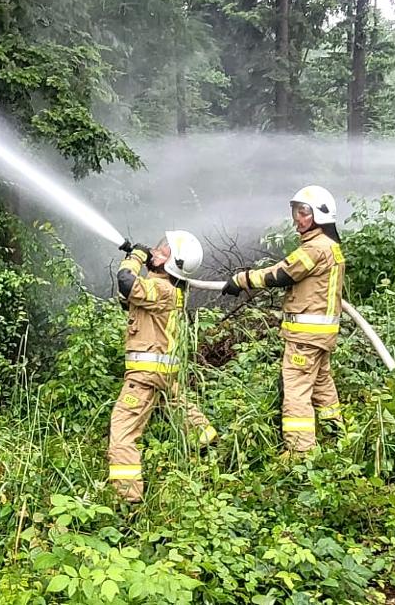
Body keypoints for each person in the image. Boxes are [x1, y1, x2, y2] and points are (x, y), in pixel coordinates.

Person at [220, 186, 346, 455]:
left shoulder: (315, 249)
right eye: (295, 212)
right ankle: (337, 438)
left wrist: (242, 281)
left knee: (297, 391)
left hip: (305, 337)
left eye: (303, 213)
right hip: (320, 337)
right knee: (322, 385)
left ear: (320, 215)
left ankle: (301, 455)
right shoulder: (330, 247)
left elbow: (281, 274)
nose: (296, 219)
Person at [106, 231, 217, 503]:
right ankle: (210, 447)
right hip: (163, 376)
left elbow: (125, 282)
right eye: (158, 248)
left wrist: (135, 257)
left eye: (163, 252)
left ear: (172, 264)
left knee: (122, 433)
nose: (156, 251)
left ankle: (128, 500)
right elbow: (128, 301)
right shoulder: (167, 289)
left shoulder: (161, 288)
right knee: (180, 409)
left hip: (144, 378)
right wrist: (141, 261)